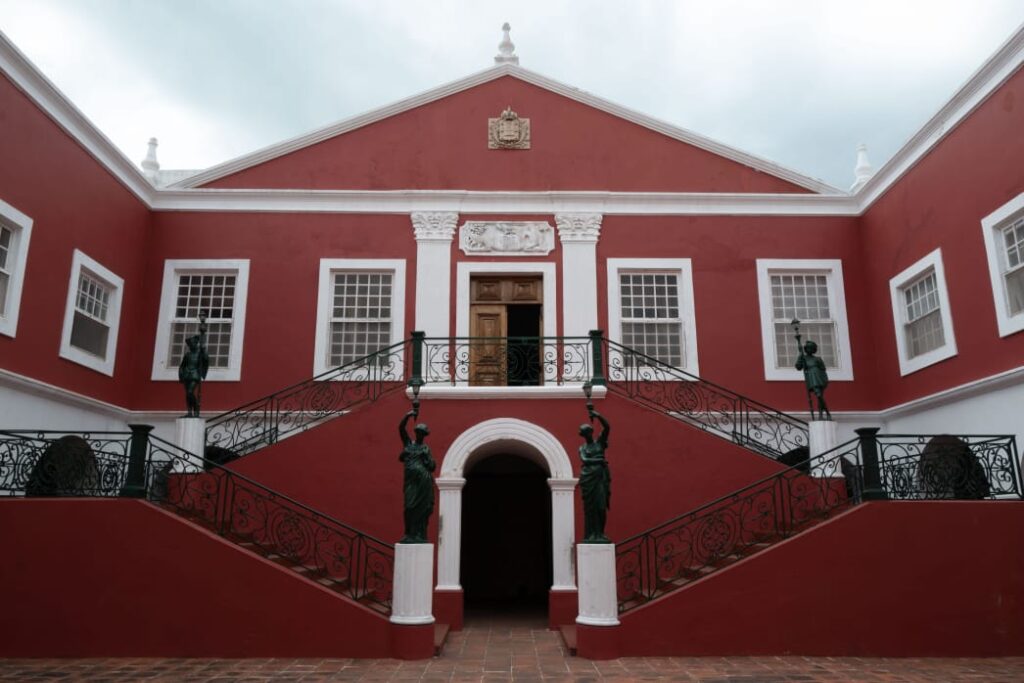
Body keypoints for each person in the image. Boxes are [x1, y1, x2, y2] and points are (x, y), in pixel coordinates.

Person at [398, 408, 436, 543]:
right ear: (415, 433)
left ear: (424, 435)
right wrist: (407, 416)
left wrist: (426, 456)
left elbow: (432, 467)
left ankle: (419, 534)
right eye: (418, 432)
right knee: (409, 506)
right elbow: (401, 429)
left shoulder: (425, 448)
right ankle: (409, 533)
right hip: (410, 480)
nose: (420, 435)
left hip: (423, 480)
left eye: (422, 433)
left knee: (423, 507)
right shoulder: (408, 444)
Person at [578, 408, 611, 543]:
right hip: (588, 478)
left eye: (587, 432)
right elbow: (584, 460)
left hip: (600, 478)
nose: (586, 435)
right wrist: (600, 460)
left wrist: (598, 415)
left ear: (590, 432)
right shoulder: (582, 448)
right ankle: (591, 534)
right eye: (584, 433)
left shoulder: (600, 443)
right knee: (590, 508)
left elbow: (607, 427)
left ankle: (600, 533)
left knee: (601, 506)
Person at [795, 340, 831, 420]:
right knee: (819, 396)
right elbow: (798, 367)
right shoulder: (803, 358)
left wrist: (824, 379)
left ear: (814, 349)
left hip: (819, 377)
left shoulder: (818, 359)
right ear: (806, 349)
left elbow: (823, 369)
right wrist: (800, 357)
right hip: (811, 378)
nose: (810, 350)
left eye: (811, 348)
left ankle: (821, 415)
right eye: (808, 348)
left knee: (819, 396)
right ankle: (827, 413)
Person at [178, 333, 209, 417]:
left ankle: (196, 408)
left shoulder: (199, 354)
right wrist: (180, 374)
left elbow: (205, 359)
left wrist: (203, 350)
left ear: (196, 344)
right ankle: (189, 412)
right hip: (186, 375)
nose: (191, 346)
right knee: (187, 394)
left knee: (190, 392)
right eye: (190, 345)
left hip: (195, 375)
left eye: (192, 344)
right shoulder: (187, 355)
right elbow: (182, 365)